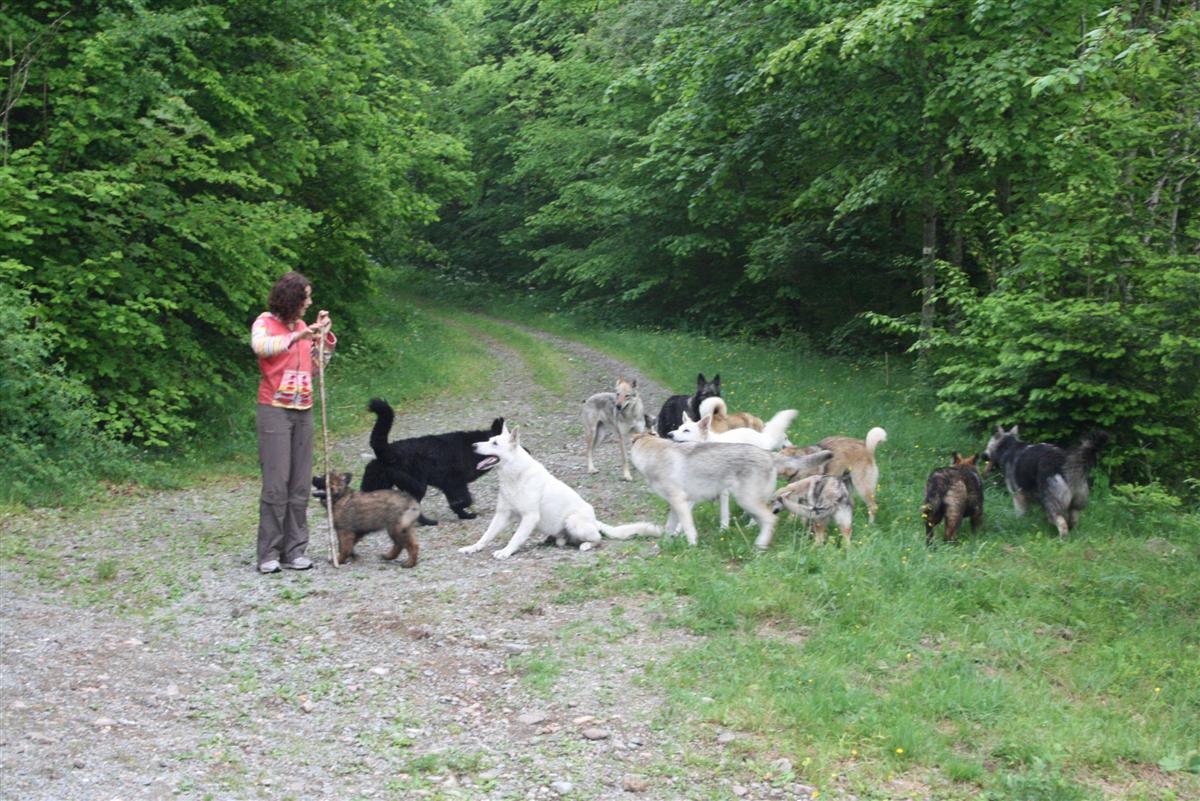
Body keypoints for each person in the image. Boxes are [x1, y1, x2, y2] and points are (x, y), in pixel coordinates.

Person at [251, 271, 336, 573]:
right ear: (292, 298)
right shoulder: (264, 323)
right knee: (276, 484)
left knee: (300, 483)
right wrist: (297, 336)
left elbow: (316, 368)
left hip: (304, 409)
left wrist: (323, 337)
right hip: (274, 409)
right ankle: (269, 554)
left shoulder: (302, 327)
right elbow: (261, 348)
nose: (309, 303)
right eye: (306, 297)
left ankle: (294, 549)